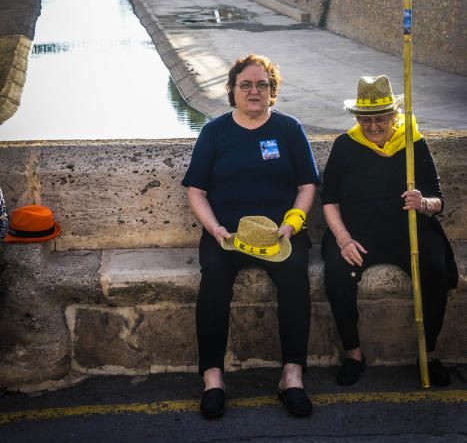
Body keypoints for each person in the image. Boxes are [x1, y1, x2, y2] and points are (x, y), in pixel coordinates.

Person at [182, 54, 320, 418]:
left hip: (280, 234)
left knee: (294, 278)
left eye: (263, 85)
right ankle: (213, 377)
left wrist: (292, 223)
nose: (254, 91)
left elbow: (307, 185)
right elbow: (196, 191)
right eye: (246, 85)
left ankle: (291, 375)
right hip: (226, 233)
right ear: (232, 90)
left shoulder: (290, 130)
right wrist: (214, 229)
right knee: (213, 280)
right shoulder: (214, 132)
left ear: (273, 91)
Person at [321, 75, 458, 387]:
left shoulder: (413, 143)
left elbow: (439, 199)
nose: (372, 127)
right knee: (337, 276)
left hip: (408, 232)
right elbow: (329, 199)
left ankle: (429, 352)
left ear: (394, 116)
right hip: (357, 234)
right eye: (365, 119)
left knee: (434, 269)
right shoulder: (345, 146)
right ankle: (354, 354)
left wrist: (423, 203)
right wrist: (343, 240)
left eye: (380, 119)